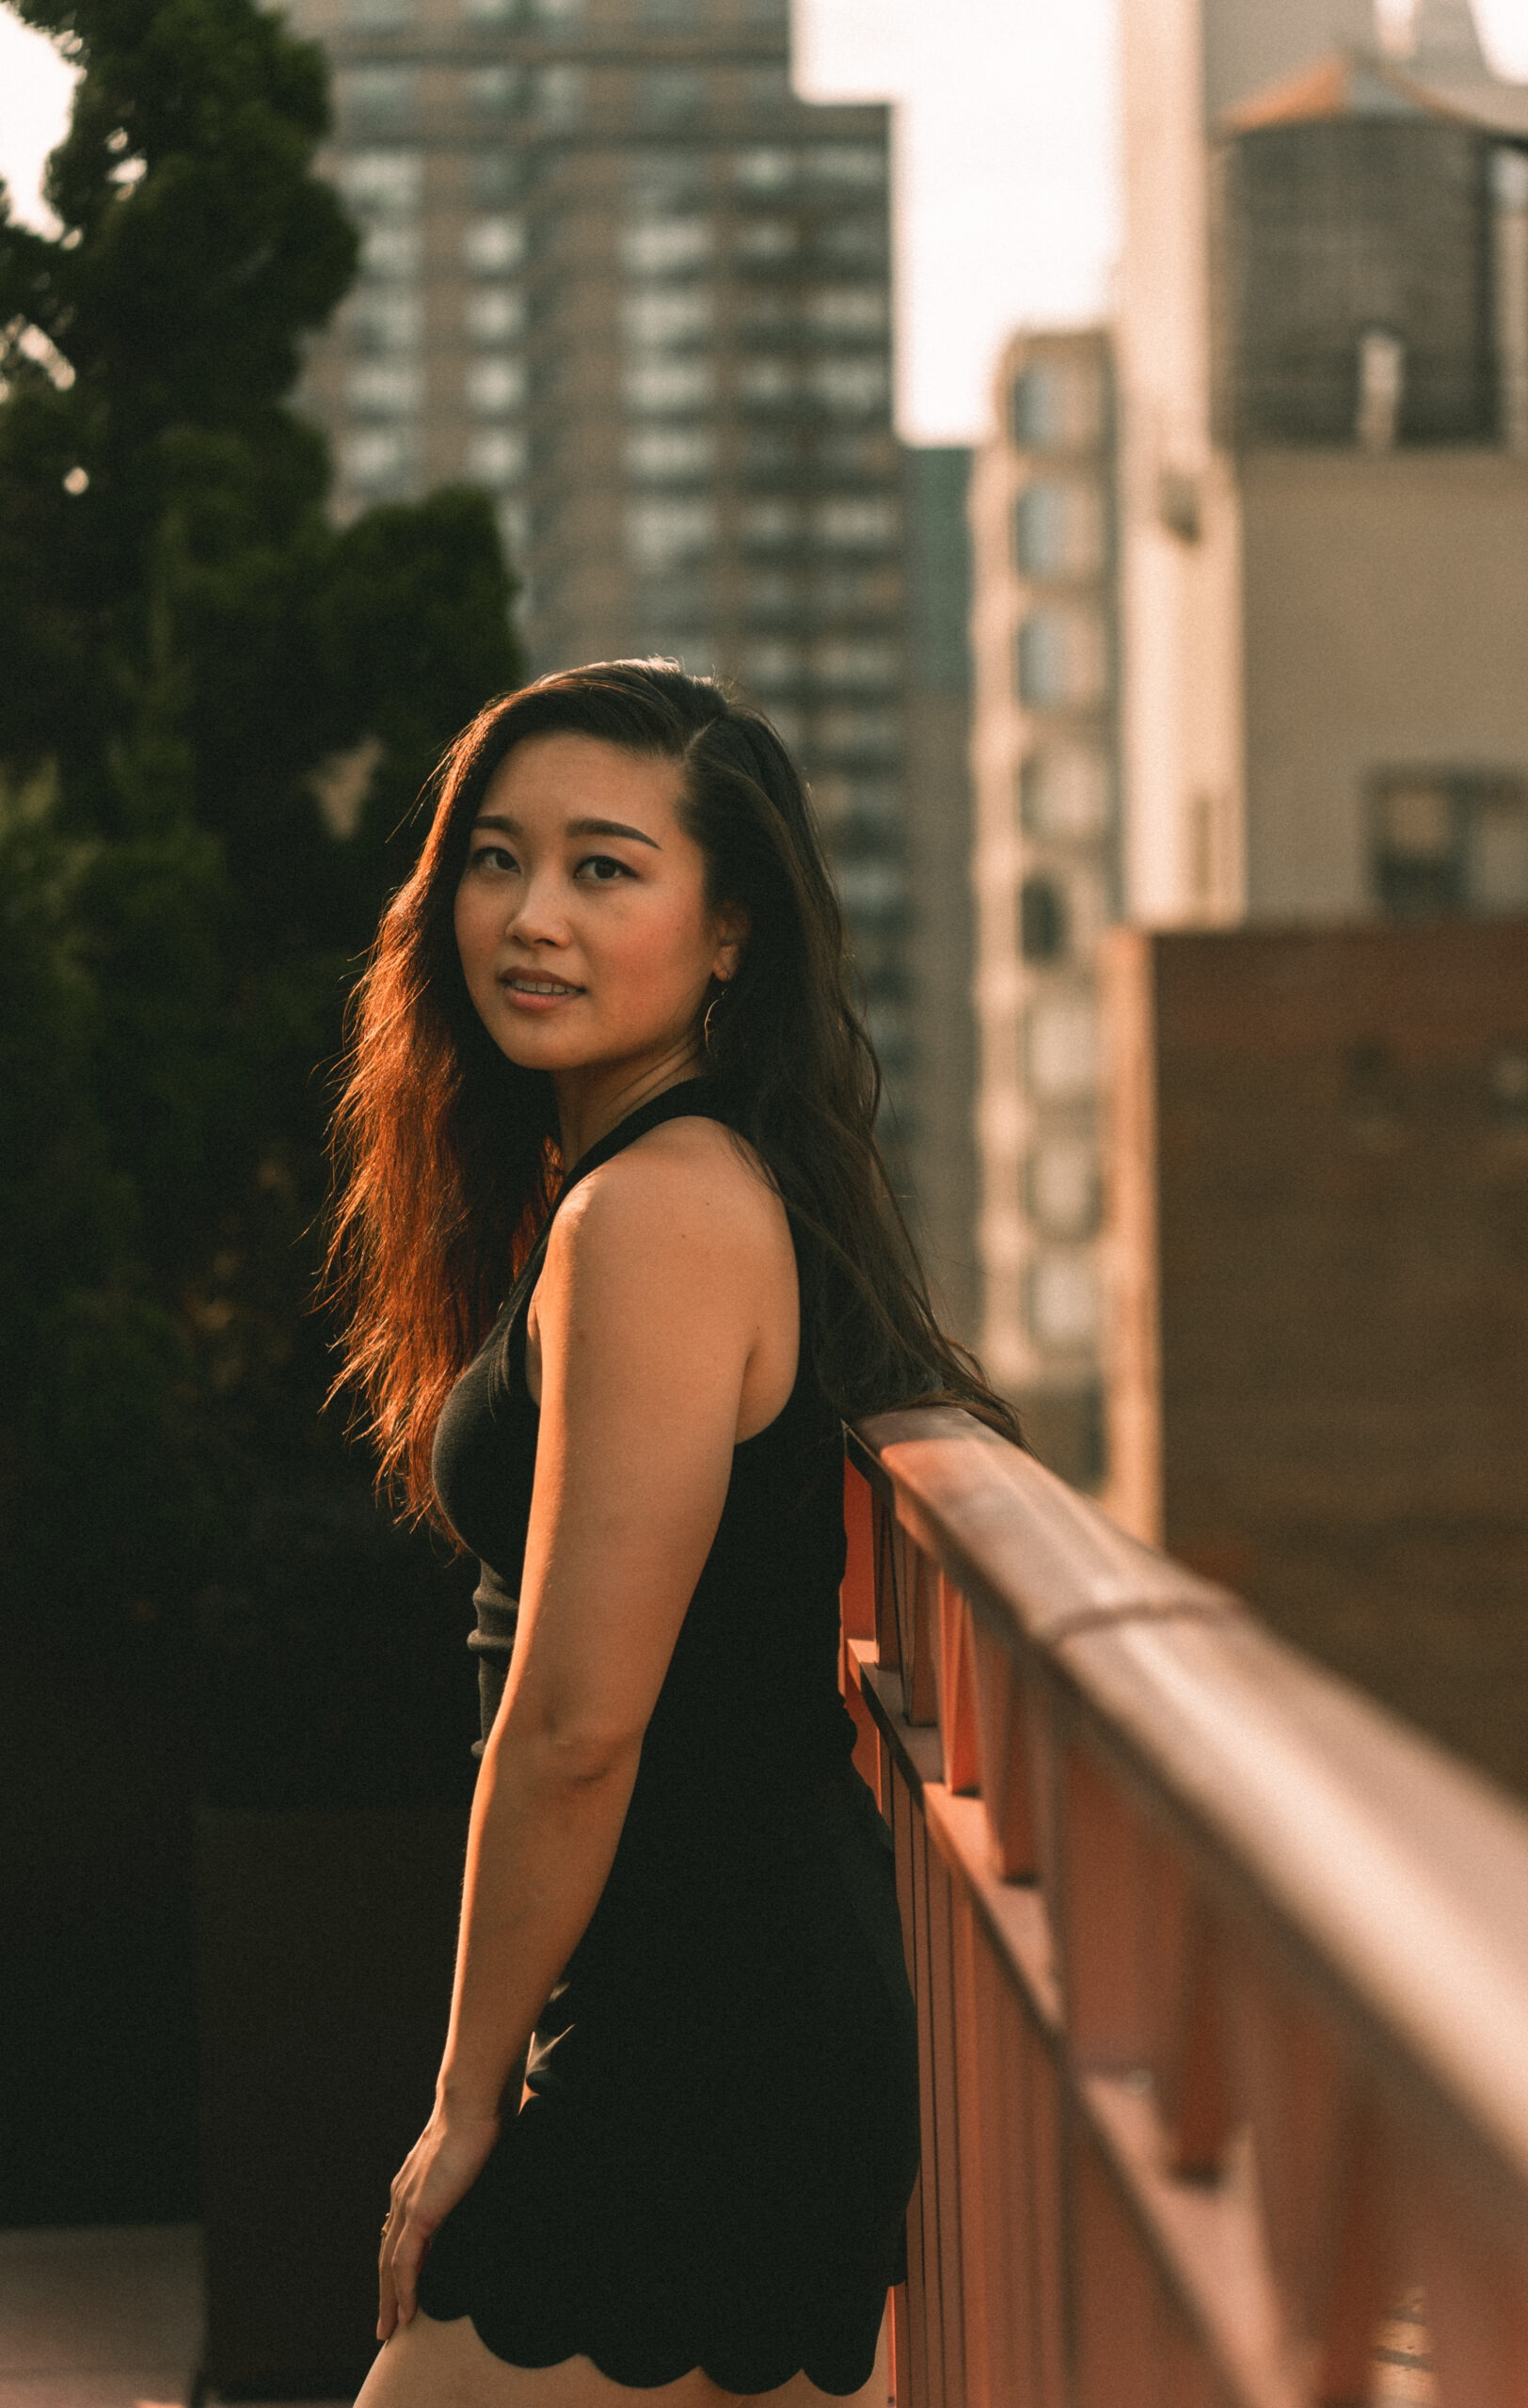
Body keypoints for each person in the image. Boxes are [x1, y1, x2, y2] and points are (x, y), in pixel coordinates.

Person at [326, 661, 1019, 2407]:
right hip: (709, 2008)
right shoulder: (643, 1191)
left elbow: (575, 1726)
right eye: (497, 860)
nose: (531, 917)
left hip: (708, 2041)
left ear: (731, 937)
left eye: (605, 868)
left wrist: (466, 2099)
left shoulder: (653, 1216)